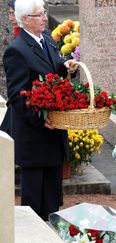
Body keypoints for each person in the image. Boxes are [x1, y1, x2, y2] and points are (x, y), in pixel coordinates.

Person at [3, 0, 78, 221]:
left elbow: (51, 68)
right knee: (35, 204)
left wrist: (65, 66)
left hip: (53, 133)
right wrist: (40, 118)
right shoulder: (16, 50)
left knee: (53, 201)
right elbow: (17, 96)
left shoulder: (45, 39)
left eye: (44, 13)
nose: (45, 18)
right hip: (34, 136)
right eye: (39, 15)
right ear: (24, 20)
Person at [0, 0, 20, 135]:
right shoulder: (17, 32)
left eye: (14, 13)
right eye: (9, 13)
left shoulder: (22, 35)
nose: (11, 18)